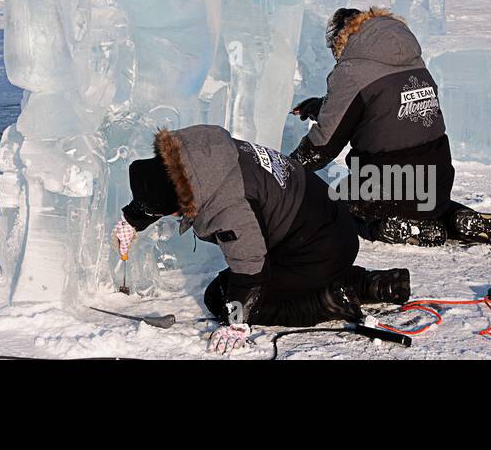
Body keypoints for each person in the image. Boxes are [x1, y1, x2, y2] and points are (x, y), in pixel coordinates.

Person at [112, 124, 410, 354]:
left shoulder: (228, 206)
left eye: (176, 213)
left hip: (320, 247)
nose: (178, 217)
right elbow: (165, 186)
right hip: (328, 225)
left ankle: (328, 300)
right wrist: (133, 219)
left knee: (220, 297)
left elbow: (250, 270)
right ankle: (368, 284)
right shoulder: (200, 154)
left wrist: (236, 321)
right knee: (253, 284)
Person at [289, 6, 491, 247]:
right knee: (424, 204)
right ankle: (458, 217)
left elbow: (322, 147)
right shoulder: (411, 57)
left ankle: (388, 227)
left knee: (339, 205)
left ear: (340, 39)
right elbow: (383, 104)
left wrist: (285, 170)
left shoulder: (352, 70)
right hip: (437, 178)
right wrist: (319, 107)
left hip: (387, 182)